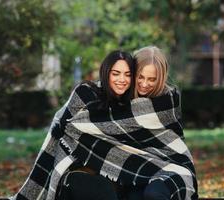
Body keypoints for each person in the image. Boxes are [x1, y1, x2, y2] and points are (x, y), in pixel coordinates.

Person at [63, 46, 198, 200]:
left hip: (171, 166)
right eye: (140, 77)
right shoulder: (119, 101)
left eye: (152, 79)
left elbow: (170, 142)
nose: (145, 84)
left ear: (160, 79)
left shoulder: (166, 101)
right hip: (133, 170)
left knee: (154, 195)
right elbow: (77, 123)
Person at [11, 50, 136, 200]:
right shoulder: (86, 93)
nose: (122, 79)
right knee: (103, 191)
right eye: (116, 73)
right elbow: (61, 130)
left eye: (127, 74)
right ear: (106, 73)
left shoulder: (135, 109)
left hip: (116, 176)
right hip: (76, 172)